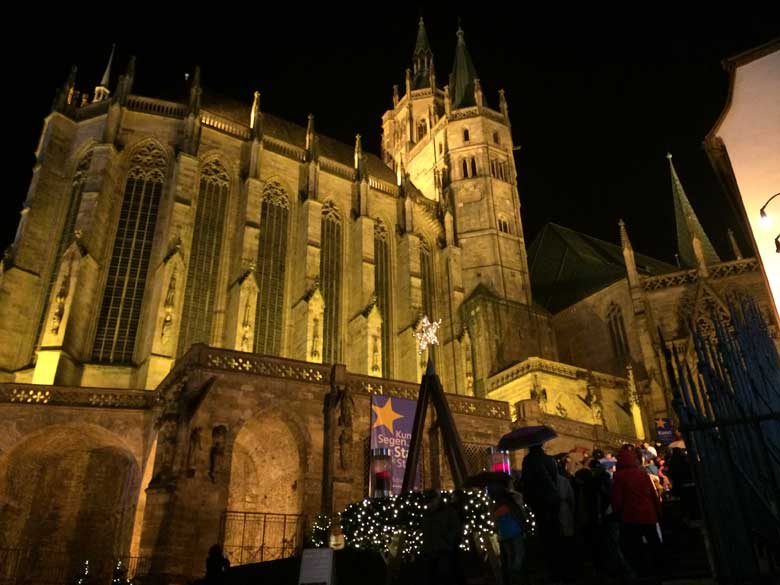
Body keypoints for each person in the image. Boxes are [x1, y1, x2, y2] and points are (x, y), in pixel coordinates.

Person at [612, 449, 662, 580]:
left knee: (635, 546)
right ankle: (659, 568)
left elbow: (617, 499)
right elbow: (652, 494)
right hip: (648, 514)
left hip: (630, 516)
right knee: (653, 542)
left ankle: (643, 571)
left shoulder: (619, 476)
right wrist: (658, 510)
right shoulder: (642, 474)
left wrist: (617, 514)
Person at [521, 444, 561, 581]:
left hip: (539, 501)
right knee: (555, 533)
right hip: (553, 500)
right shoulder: (550, 459)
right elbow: (555, 478)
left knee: (544, 535)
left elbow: (526, 483)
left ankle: (549, 569)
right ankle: (559, 569)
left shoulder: (528, 460)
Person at [422, 491, 463, 585]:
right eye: (428, 502)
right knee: (431, 578)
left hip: (444, 550)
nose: (430, 504)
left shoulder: (448, 511)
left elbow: (456, 528)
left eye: (431, 501)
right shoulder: (427, 513)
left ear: (437, 500)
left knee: (444, 577)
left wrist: (447, 540)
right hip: (430, 550)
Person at [491, 478, 527, 585]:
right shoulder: (510, 501)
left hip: (504, 534)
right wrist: (524, 527)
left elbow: (495, 521)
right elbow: (518, 515)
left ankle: (511, 576)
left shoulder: (496, 505)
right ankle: (515, 574)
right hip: (515, 531)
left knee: (510, 555)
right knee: (519, 553)